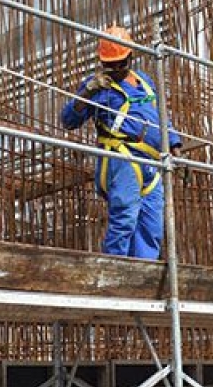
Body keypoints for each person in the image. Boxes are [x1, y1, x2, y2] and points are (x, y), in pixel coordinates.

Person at [61, 25, 182, 259]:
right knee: (124, 219)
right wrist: (87, 92)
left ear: (130, 57)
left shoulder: (144, 81)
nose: (115, 69)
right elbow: (68, 120)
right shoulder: (98, 87)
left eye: (120, 64)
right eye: (109, 64)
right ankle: (116, 270)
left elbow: (161, 118)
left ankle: (142, 276)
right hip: (122, 159)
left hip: (152, 164)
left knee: (151, 225)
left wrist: (174, 145)